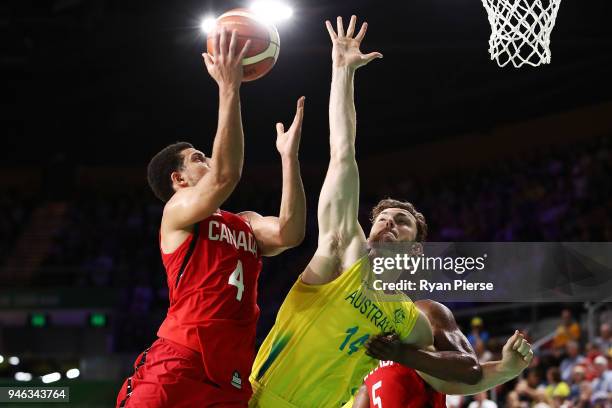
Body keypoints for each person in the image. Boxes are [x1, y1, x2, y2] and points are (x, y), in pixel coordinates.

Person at [116, 27, 307, 407]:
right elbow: (225, 176)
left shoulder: (246, 222)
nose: (207, 160)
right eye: (197, 158)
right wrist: (229, 87)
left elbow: (290, 233)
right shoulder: (178, 214)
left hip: (231, 373)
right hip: (180, 359)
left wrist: (289, 159)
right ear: (178, 179)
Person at [354, 308, 533, 408]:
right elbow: (366, 390)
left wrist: (504, 369)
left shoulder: (424, 313)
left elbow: (469, 372)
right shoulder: (365, 333)